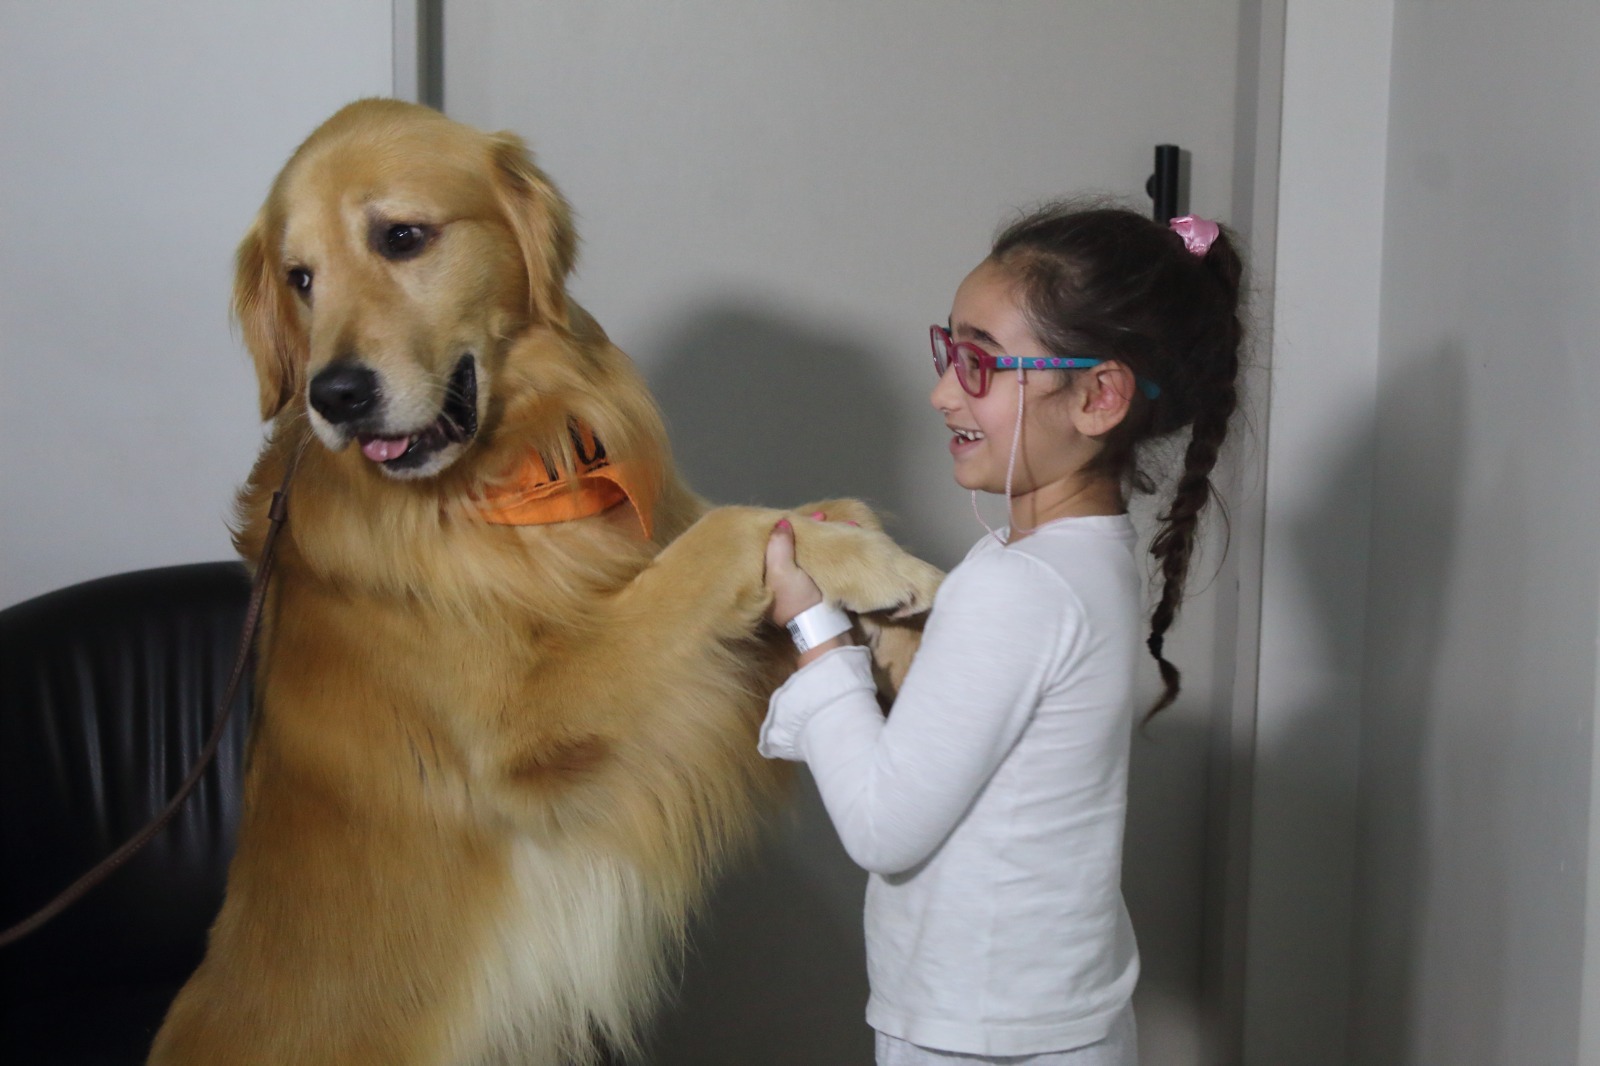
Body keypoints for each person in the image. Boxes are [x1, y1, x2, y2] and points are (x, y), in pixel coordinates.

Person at [758, 203, 1245, 1066]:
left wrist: (813, 628)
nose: (944, 390)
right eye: (949, 352)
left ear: (1098, 395)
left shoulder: (1018, 585)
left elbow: (883, 826)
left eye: (980, 362)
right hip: (1036, 1018)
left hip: (982, 1037)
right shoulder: (1084, 560)